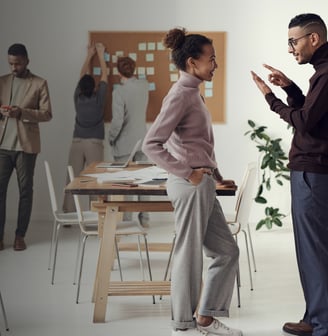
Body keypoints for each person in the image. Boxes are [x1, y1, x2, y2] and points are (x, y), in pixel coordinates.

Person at [142, 28, 241, 336]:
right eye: (211, 59)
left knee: (226, 252)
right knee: (189, 253)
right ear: (191, 61)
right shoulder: (181, 95)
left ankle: (206, 318)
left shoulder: (192, 91)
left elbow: (195, 142)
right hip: (190, 185)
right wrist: (189, 172)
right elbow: (151, 144)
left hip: (203, 182)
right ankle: (183, 324)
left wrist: (215, 172)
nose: (215, 65)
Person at [251, 13, 328, 336]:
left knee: (313, 251)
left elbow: (305, 122)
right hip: (316, 170)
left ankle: (321, 323)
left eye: (293, 41)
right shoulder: (320, 74)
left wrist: (270, 98)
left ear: (313, 39)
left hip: (313, 171)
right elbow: (317, 116)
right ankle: (316, 318)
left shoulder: (325, 74)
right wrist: (291, 88)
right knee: (318, 248)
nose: (290, 49)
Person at [0, 43, 52, 251]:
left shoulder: (39, 83)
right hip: (3, 146)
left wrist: (21, 112)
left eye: (18, 63)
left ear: (27, 61)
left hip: (26, 147)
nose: (14, 67)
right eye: (11, 63)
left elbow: (47, 114)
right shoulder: (2, 82)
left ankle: (20, 236)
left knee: (25, 192)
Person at [62, 42, 108, 213]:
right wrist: (101, 55)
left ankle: (67, 212)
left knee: (71, 178)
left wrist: (89, 54)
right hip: (94, 143)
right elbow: (105, 74)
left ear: (80, 87)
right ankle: (95, 213)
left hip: (77, 141)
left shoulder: (78, 97)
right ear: (95, 87)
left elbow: (82, 74)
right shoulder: (99, 100)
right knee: (95, 179)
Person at [108, 56, 150, 226]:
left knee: (125, 183)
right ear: (134, 69)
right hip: (142, 140)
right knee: (143, 181)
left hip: (124, 143)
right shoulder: (144, 86)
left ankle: (127, 221)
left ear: (118, 72)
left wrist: (111, 138)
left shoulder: (119, 92)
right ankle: (145, 219)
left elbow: (117, 122)